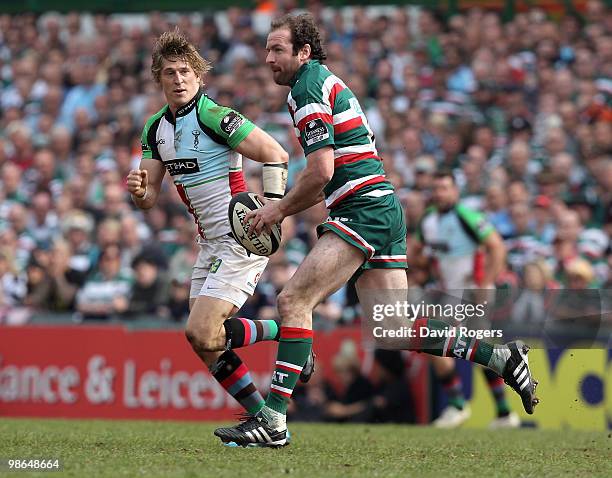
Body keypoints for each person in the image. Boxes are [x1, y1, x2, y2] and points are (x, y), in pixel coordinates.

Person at [214, 13, 539, 447]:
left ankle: (272, 421)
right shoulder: (320, 80)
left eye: (277, 49)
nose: (268, 57)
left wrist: (278, 210)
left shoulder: (307, 86)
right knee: (394, 329)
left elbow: (320, 171)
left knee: (294, 299)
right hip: (381, 206)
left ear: (303, 51)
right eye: (267, 49)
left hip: (362, 208)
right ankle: (500, 356)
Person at [126, 29, 313, 428]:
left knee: (202, 328)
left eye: (185, 72)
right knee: (202, 341)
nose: (178, 80)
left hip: (240, 236)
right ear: (158, 78)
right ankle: (265, 414)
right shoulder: (154, 130)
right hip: (209, 243)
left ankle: (289, 333)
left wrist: (271, 209)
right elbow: (148, 200)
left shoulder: (213, 115)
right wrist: (139, 191)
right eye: (170, 73)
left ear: (199, 78)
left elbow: (275, 153)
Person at [416, 171, 519, 428]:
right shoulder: (428, 221)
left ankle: (458, 405)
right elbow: (416, 252)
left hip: (471, 291)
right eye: (436, 188)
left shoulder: (467, 216)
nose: (440, 193)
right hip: (451, 294)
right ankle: (503, 413)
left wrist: (486, 283)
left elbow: (497, 246)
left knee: (434, 340)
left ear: (455, 192)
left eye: (445, 188)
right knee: (480, 350)